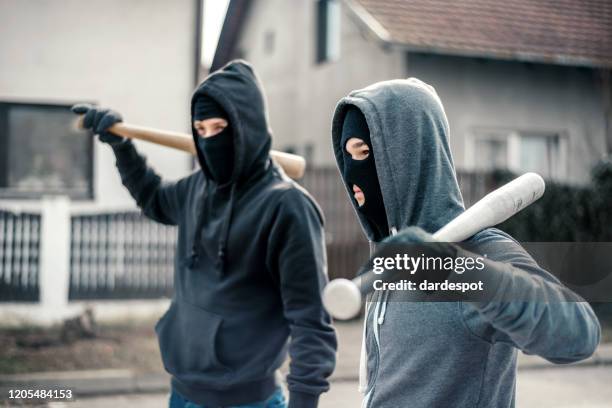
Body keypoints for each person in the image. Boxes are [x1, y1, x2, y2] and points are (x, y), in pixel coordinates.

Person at [72, 60, 337, 408]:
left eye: (220, 127)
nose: (210, 139)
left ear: (248, 126)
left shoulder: (286, 207)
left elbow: (310, 321)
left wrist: (304, 402)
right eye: (201, 128)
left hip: (247, 401)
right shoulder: (198, 188)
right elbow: (153, 199)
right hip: (182, 394)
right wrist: (121, 145)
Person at [330, 77, 601, 408]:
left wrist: (451, 267)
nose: (353, 171)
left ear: (410, 155)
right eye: (347, 156)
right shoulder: (396, 257)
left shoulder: (482, 252)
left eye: (366, 152)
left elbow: (579, 334)